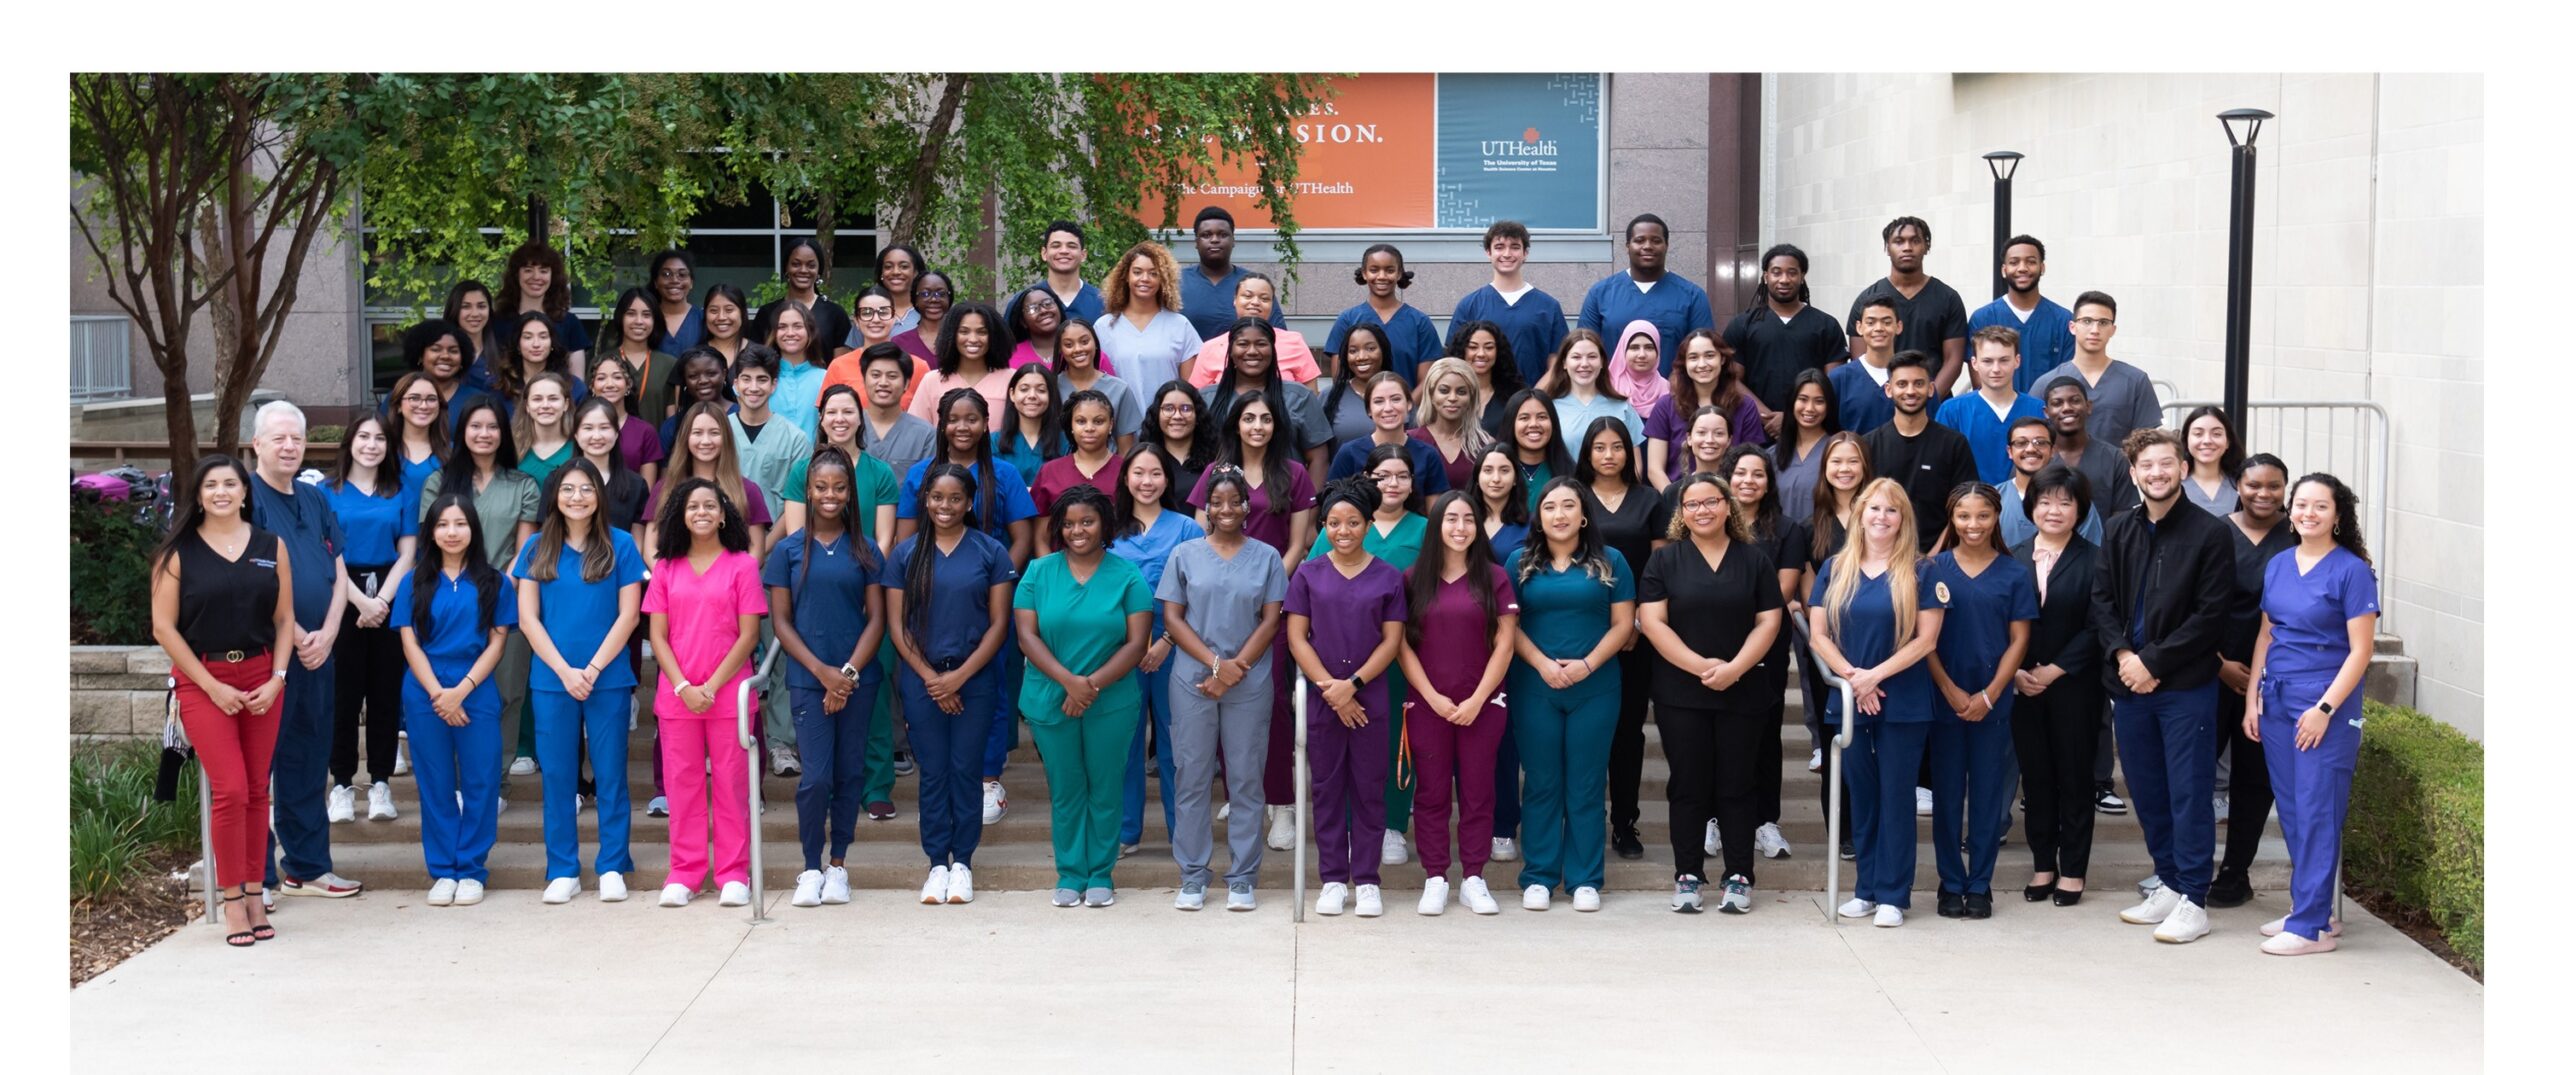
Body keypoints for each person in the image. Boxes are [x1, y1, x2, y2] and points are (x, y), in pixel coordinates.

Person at [2092, 428, 2235, 944]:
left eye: (2166, 464)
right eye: (2147, 466)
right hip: (2129, 686)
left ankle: (2195, 898)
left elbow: (2210, 616)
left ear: (2182, 468)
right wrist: (2125, 657)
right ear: (2133, 474)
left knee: (2188, 793)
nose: (2157, 473)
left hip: (2185, 687)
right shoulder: (2117, 528)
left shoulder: (2211, 533)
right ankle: (2170, 884)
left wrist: (2152, 662)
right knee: (2148, 792)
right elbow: (2102, 601)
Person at [150, 455, 295, 943]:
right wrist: (211, 685)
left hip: (261, 678)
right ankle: (232, 899)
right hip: (203, 679)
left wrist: (277, 678)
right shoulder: (179, 553)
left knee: (258, 790)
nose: (220, 492)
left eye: (230, 483)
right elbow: (163, 628)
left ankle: (256, 893)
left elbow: (284, 621)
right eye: (210, 485)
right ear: (198, 495)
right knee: (230, 789)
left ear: (244, 491)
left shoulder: (270, 546)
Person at [2245, 473, 2380, 956]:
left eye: (2320, 506)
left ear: (2338, 515)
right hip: (2277, 698)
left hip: (2325, 702)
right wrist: (2252, 699)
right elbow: (2267, 635)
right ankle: (2314, 909)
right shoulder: (2280, 564)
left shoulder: (2352, 571)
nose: (2308, 513)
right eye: (2301, 504)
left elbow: (2361, 652)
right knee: (2295, 809)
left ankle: (2308, 929)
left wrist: (2325, 708)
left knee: (2319, 808)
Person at [1639, 472, 1785, 914]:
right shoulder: (1665, 562)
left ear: (1728, 506)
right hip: (1681, 692)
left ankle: (1739, 875)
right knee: (1688, 784)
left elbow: (1769, 621)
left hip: (1744, 690)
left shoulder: (1754, 559)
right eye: (1692, 504)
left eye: (1711, 502)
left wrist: (1735, 668)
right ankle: (1688, 875)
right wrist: (1702, 667)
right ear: (1681, 513)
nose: (1702, 510)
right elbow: (1653, 622)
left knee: (1738, 785)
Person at [1805, 478, 1945, 928]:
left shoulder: (1922, 571)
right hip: (1849, 699)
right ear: (1859, 515)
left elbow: (1926, 641)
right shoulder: (1834, 568)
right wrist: (1852, 678)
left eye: (1891, 511)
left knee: (1896, 797)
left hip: (1901, 700)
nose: (1881, 518)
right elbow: (1818, 635)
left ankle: (1893, 893)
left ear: (1903, 519)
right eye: (1874, 509)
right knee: (1861, 797)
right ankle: (1865, 888)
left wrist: (1874, 677)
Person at [895, 388, 1039, 822]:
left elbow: (1023, 539)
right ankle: (941, 775)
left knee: (992, 687)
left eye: (972, 418)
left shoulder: (1006, 475)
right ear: (941, 422)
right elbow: (905, 540)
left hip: (991, 597)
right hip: (931, 599)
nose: (962, 427)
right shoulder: (921, 475)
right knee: (933, 685)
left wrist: (993, 580)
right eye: (954, 418)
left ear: (986, 424)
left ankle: (988, 779)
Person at [512, 459, 648, 904]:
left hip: (606, 678)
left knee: (610, 774)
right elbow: (528, 619)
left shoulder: (622, 545)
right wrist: (565, 671)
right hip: (552, 680)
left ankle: (612, 864)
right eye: (568, 489)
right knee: (557, 777)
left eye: (586, 489)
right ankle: (563, 868)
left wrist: (590, 670)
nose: (576, 497)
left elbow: (629, 615)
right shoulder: (536, 547)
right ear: (555, 495)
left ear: (599, 495)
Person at [1186, 389, 1317, 850]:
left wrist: (1265, 588)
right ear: (1235, 425)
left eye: (1266, 418)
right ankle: (1245, 794)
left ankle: (1281, 803)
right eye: (1249, 418)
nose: (1258, 426)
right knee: (1220, 688)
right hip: (1218, 606)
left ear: (1277, 425)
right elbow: (1205, 537)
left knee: (1272, 703)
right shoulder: (1214, 475)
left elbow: (1300, 543)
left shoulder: (1295, 474)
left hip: (1272, 606)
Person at [1015, 485, 1155, 908]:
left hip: (1110, 700)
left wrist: (1089, 685)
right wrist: (1068, 681)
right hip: (1050, 697)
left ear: (1104, 525)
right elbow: (1026, 635)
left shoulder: (1127, 575)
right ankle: (1070, 873)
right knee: (1066, 787)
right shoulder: (1038, 572)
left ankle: (1100, 874)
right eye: (1069, 523)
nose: (1078, 530)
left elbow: (1136, 643)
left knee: (1106, 786)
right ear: (1058, 527)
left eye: (1087, 522)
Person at [887, 464, 1020, 905]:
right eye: (937, 498)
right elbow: (896, 624)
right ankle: (936, 864)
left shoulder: (990, 551)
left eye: (956, 498)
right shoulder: (906, 554)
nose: (946, 506)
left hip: (975, 677)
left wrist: (959, 677)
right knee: (933, 773)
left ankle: (962, 862)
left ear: (969, 502)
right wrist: (931, 678)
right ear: (925, 500)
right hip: (921, 678)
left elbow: (1000, 623)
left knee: (966, 771)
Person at [1158, 466, 1288, 910]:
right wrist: (1214, 665)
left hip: (1248, 681)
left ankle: (1242, 878)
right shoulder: (1185, 554)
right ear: (1206, 507)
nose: (1227, 508)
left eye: (1235, 501)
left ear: (1247, 507)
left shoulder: (1267, 556)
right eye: (1218, 502)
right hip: (1193, 680)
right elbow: (1173, 618)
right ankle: (1193, 876)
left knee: (1247, 779)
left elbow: (1271, 619)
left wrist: (1235, 668)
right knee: (1191, 777)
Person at [765, 447, 888, 909]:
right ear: (808, 491)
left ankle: (838, 866)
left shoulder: (866, 549)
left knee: (849, 772)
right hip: (808, 680)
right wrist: (823, 674)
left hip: (858, 680)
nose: (830, 495)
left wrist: (849, 675)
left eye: (839, 487)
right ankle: (810, 866)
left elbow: (877, 619)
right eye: (821, 487)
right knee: (815, 777)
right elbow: (781, 622)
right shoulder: (788, 550)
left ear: (850, 493)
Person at [249, 402, 363, 899]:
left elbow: (337, 568)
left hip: (320, 651)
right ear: (257, 445)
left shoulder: (315, 498)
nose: (290, 447)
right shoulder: (246, 498)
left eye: (297, 438)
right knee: (261, 765)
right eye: (279, 439)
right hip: (268, 654)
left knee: (309, 760)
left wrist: (332, 629)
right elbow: (250, 575)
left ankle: (308, 866)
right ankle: (258, 876)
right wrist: (294, 633)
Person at [1506, 479, 1636, 912]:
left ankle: (1584, 878)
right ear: (1538, 518)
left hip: (1596, 687)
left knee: (1585, 782)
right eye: (1549, 507)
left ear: (1583, 516)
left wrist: (1585, 665)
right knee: (1542, 781)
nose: (1559, 514)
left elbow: (1623, 626)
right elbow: (1507, 627)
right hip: (1534, 686)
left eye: (1568, 506)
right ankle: (1539, 875)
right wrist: (1543, 664)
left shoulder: (1611, 561)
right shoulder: (1518, 562)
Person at [1286, 478, 1410, 918]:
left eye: (1353, 522)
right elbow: (1298, 638)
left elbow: (1391, 641)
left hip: (1370, 698)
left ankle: (1369, 880)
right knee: (1327, 789)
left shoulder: (1388, 577)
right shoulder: (1308, 573)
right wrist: (1332, 691)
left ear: (1369, 523)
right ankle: (1334, 879)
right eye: (1334, 522)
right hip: (1323, 699)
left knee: (1369, 790)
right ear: (1323, 526)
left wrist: (1352, 685)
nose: (1343, 530)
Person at [642, 479, 767, 909]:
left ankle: (734, 873)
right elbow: (657, 635)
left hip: (728, 696)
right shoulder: (665, 568)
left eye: (709, 506)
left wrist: (710, 688)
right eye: (692, 506)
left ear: (723, 514)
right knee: (682, 786)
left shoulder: (742, 566)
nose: (700, 512)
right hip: (677, 696)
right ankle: (685, 872)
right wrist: (682, 686)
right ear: (679, 514)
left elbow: (749, 634)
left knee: (732, 785)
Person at [1397, 489, 1518, 916]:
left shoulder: (1494, 576)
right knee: (1430, 792)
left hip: (1483, 704)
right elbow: (1402, 646)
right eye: (1451, 519)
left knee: (1478, 792)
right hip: (1428, 703)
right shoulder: (1414, 579)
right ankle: (1434, 876)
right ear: (1437, 526)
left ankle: (1473, 877)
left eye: (1468, 519)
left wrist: (1477, 699)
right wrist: (1431, 696)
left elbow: (1505, 644)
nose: (1460, 527)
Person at [1922, 482, 2038, 919]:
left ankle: (1980, 885)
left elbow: (2019, 639)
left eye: (1983, 516)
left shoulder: (2012, 573)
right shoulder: (1933, 569)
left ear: (1996, 518)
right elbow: (1925, 641)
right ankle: (1950, 882)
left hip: (1994, 703)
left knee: (1989, 797)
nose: (1974, 525)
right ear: (1952, 519)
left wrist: (1990, 695)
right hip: (1944, 700)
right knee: (1948, 794)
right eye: (1964, 516)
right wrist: (1951, 691)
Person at [396, 493, 517, 907]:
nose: (452, 532)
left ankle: (471, 868)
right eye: (443, 524)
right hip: (425, 692)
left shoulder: (495, 581)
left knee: (481, 780)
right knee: (435, 784)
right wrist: (437, 694)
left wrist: (461, 691)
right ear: (431, 531)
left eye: (460, 524)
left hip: (476, 689)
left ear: (473, 529)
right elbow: (409, 642)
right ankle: (443, 869)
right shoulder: (414, 580)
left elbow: (497, 643)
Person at [418, 398, 542, 795]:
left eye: (492, 427)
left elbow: (523, 553)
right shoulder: (439, 482)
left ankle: (495, 781)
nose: (484, 434)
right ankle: (454, 781)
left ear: (503, 433)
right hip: (448, 603)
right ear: (462, 432)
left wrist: (494, 593)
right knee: (452, 687)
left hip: (504, 600)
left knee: (506, 692)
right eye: (475, 426)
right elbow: (430, 546)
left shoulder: (522, 484)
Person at [2010, 462, 2106, 907]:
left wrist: (2055, 669)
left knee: (2074, 777)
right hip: (2021, 685)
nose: (2054, 510)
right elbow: (1998, 622)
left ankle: (2073, 870)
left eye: (2065, 502)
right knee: (2037, 779)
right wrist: (2015, 671)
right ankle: (2043, 864)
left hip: (2075, 687)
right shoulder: (2010, 557)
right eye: (2045, 501)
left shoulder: (2096, 560)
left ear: (2080, 510)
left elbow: (2099, 625)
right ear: (2031, 505)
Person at [2207, 453, 2298, 907]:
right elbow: (2191, 603)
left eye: (2274, 486)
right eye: (2254, 485)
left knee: (2254, 779)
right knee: (2194, 773)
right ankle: (2185, 866)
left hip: (2276, 679)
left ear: (2286, 488)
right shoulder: (2213, 532)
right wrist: (2219, 662)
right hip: (2211, 669)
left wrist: (2261, 674)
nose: (2264, 494)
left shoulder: (2299, 537)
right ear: (2236, 486)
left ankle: (2235, 871)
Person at [1110, 446, 1209, 858]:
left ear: (1167, 480)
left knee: (1177, 743)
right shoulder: (1111, 529)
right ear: (1125, 478)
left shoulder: (1187, 529)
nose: (1147, 482)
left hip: (1177, 646)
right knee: (1124, 741)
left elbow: (1200, 592)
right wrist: (1133, 644)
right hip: (1120, 646)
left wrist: (1168, 640)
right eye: (1138, 473)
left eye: (1155, 473)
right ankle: (1126, 830)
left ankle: (1180, 832)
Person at [1575, 417, 1665, 861]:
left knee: (1627, 731)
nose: (1608, 455)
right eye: (1599, 447)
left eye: (1617, 447)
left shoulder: (1651, 500)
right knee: (1580, 733)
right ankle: (1577, 818)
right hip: (1577, 632)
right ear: (1587, 453)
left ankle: (1625, 823)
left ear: (1631, 453)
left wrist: (1637, 625)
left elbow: (1658, 569)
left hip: (1634, 637)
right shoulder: (1573, 498)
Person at [323, 416, 412, 825]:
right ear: (349, 441)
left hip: (390, 593)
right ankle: (340, 784)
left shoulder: (401, 492)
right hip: (342, 595)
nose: (371, 445)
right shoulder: (326, 493)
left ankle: (380, 784)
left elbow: (408, 553)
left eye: (380, 438)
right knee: (343, 696)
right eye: (363, 436)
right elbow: (327, 554)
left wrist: (381, 602)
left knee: (384, 695)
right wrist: (359, 602)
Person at [1726, 445, 1807, 859]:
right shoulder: (1709, 522)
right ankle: (1714, 818)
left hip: (1767, 646)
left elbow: (1783, 592)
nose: (1748, 481)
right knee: (1713, 736)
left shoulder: (1788, 530)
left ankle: (1765, 820)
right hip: (1711, 645)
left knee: (1764, 735)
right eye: (1740, 473)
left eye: (1758, 474)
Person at [1358, 446, 1429, 866]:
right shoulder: (1349, 524)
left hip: (1408, 652)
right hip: (1350, 654)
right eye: (1383, 475)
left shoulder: (1425, 529)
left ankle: (1393, 827)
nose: (1392, 484)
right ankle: (1357, 825)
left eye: (1402, 476)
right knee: (1356, 743)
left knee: (1399, 741)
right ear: (1367, 478)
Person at [1801, 430, 1872, 778]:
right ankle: (1840, 832)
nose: (1845, 469)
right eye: (1836, 461)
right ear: (1824, 467)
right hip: (1827, 644)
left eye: (1853, 460)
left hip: (1878, 639)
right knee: (1836, 746)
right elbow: (1809, 592)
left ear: (1866, 466)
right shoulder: (1809, 526)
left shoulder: (1882, 517)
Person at [1864, 351, 1981, 551]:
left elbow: (1964, 507)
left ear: (1930, 389)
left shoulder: (1954, 444)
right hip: (1881, 557)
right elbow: (1861, 508)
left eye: (1919, 383)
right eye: (1902, 384)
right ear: (1888, 390)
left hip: (1939, 558)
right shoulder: (1869, 444)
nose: (1910, 391)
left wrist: (1934, 556)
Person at [1723, 244, 1848, 428]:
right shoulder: (1742, 324)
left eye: (1792, 272)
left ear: (1802, 276)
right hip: (1758, 429)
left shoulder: (1826, 325)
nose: (1784, 279)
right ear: (1766, 276)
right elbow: (1731, 380)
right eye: (1776, 272)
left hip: (1811, 428)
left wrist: (1792, 419)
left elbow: (1832, 383)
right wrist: (1767, 416)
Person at [1847, 217, 1967, 396]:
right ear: (1887, 248)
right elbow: (1861, 362)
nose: (1907, 247)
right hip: (1880, 401)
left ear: (1926, 247)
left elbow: (1954, 361)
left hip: (1932, 402)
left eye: (1915, 241)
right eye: (1899, 241)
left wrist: (1929, 401)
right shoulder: (1867, 300)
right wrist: (1884, 400)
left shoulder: (1948, 298)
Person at [2029, 291, 2162, 448]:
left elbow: (2146, 443)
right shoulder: (2047, 383)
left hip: (2119, 471)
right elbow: (2032, 437)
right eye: (2087, 321)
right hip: (2063, 472)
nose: (2095, 330)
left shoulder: (2135, 381)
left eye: (2103, 322)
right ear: (2072, 327)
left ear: (2113, 330)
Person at [1207, 317, 1334, 479]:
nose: (1252, 351)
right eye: (1243, 344)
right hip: (1223, 501)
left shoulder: (1300, 397)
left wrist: (1311, 503)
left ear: (1273, 350)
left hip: (1289, 499)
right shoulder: (1207, 399)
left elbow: (1319, 458)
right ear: (1230, 351)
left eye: (1261, 344)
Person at [648, 402, 773, 560]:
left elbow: (756, 552)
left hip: (731, 583)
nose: (706, 441)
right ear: (686, 436)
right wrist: (669, 580)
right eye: (697, 433)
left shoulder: (747, 490)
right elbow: (650, 547)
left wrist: (733, 582)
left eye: (714, 433)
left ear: (726, 437)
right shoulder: (664, 488)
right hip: (675, 583)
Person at [1449, 220, 1566, 388]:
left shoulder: (1548, 306)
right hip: (1482, 405)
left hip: (1533, 404)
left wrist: (1533, 398)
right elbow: (1455, 361)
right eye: (1499, 247)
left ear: (1525, 253)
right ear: (1488, 252)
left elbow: (1557, 364)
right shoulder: (1470, 305)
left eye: (1515, 247)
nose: (1507, 253)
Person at [1647, 328, 1769, 485]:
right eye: (1693, 357)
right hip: (1678, 501)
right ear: (1684, 363)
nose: (1702, 364)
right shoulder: (1665, 406)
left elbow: (1752, 464)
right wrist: (1679, 503)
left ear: (1722, 359)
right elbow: (1655, 469)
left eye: (1709, 356)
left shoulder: (1745, 406)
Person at [1577, 213, 1717, 347]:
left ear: (1666, 246)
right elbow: (1584, 352)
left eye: (1656, 241)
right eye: (1639, 240)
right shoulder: (1600, 294)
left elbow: (1703, 354)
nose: (1648, 246)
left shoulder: (1692, 296)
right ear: (1627, 246)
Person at [1092, 240, 1202, 403]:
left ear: (1163, 279)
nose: (1145, 278)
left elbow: (1191, 389)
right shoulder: (1104, 327)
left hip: (1167, 423)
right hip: (1119, 424)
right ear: (1126, 277)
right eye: (1137, 272)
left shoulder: (1180, 325)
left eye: (1153, 273)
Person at [1935, 326, 2045, 483]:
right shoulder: (1952, 411)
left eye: (2004, 360)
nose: (1996, 369)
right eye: (1987, 361)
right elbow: (1941, 467)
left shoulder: (2038, 410)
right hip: (1970, 502)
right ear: (1974, 363)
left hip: (2026, 503)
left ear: (2017, 361)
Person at [1966, 235, 2074, 388]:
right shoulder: (1983, 318)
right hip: (1997, 410)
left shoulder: (2063, 320)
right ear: (2004, 270)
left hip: (2046, 411)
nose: (2022, 268)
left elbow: (2067, 377)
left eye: (2031, 261)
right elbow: (1979, 381)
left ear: (2042, 268)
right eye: (2014, 262)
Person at [1183, 271, 1320, 388]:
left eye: (1264, 298)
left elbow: (1310, 399)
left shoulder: (1294, 342)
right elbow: (1198, 399)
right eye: (1247, 296)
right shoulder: (1210, 347)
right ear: (1235, 300)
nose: (1255, 302)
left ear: (1272, 305)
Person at [1325, 243, 1441, 382]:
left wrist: (1402, 403)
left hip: (1407, 403)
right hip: (1356, 404)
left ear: (1399, 273)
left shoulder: (1420, 322)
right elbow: (1340, 379)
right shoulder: (1347, 320)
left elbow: (1426, 382)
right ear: (1364, 273)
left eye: (1389, 270)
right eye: (1374, 270)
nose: (1382, 276)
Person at [1325, 372, 1451, 496]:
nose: (1388, 408)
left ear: (1409, 404)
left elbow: (1435, 513)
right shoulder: (1349, 453)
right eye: (1379, 401)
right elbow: (1332, 503)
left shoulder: (1428, 454)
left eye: (1396, 399)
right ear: (1369, 409)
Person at [2041, 378, 2140, 531]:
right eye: (2057, 403)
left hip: (2101, 551)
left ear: (2088, 407)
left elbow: (2124, 518)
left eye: (2075, 401)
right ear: (2046, 412)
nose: (2067, 408)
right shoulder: (2036, 459)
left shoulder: (2115, 459)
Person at [1539, 330, 1645, 472]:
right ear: (1564, 363)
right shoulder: (1548, 408)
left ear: (1602, 362)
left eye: (1592, 357)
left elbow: (1635, 467)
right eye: (1576, 357)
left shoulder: (1623, 408)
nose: (1584, 364)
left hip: (1611, 492)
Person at [1179, 206, 1288, 342]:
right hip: (1192, 363)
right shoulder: (1177, 282)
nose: (1214, 240)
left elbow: (1279, 336)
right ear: (1196, 242)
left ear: (1233, 241)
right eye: (1206, 235)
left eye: (1223, 235)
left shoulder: (1253, 284)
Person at [908, 302, 1019, 427]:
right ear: (951, 335)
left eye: (982, 332)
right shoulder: (932, 381)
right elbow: (916, 434)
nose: (973, 339)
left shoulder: (1012, 380)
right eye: (964, 332)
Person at [1997, 416, 2100, 547]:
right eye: (2021, 443)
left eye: (2040, 443)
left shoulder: (2075, 497)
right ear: (2010, 451)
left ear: (2052, 451)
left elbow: (2091, 554)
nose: (2030, 449)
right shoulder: (1993, 498)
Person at [493, 241, 591, 377]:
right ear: (516, 275)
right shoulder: (498, 322)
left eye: (543, 271)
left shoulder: (570, 323)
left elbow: (577, 382)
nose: (536, 277)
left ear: (553, 276)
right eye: (528, 270)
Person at [1050, 317, 1144, 454]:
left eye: (1084, 342)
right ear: (1060, 350)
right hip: (1061, 471)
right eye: (1069, 345)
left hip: (1108, 471)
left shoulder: (1119, 389)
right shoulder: (1051, 388)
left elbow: (1126, 449)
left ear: (1096, 343)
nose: (1078, 349)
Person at [747, 238, 854, 359]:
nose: (803, 270)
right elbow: (755, 362)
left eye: (811, 265)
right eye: (796, 264)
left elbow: (841, 367)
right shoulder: (767, 313)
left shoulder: (835, 314)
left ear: (819, 270)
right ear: (786, 268)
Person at [1032, 389, 1124, 527]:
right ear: (1071, 425)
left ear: (1110, 424)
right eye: (1081, 421)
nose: (1089, 428)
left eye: (1098, 421)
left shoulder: (1127, 470)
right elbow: (1040, 535)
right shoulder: (1050, 471)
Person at [849, 343, 939, 480]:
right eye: (875, 375)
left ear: (907, 383)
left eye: (892, 376)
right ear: (864, 379)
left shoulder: (926, 435)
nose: (883, 382)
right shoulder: (847, 426)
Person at [1772, 369, 1841, 523]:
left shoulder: (1838, 451)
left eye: (1819, 401)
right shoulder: (1772, 455)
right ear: (1792, 402)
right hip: (1781, 543)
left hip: (1824, 542)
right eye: (1803, 399)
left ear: (1829, 405)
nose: (1810, 408)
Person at [601, 288, 676, 429]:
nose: (639, 321)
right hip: (608, 446)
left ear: (655, 320)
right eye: (631, 314)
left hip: (656, 448)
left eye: (647, 315)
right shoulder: (603, 362)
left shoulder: (669, 364)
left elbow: (672, 421)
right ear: (620, 317)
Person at [584, 355, 663, 490]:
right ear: (592, 386)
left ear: (628, 385)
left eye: (617, 377)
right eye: (601, 378)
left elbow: (646, 492)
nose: (609, 384)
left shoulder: (645, 432)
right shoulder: (581, 427)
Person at [489, 312, 589, 417]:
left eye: (543, 337)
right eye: (528, 337)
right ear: (518, 345)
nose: (536, 344)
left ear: (552, 343)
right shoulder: (499, 385)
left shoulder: (574, 387)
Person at [1416, 356, 1493, 490]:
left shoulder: (1486, 444)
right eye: (1444, 391)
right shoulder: (1410, 441)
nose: (1452, 398)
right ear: (1431, 394)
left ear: (1471, 397)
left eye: (1461, 392)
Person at [1830, 297, 1902, 435]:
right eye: (1871, 322)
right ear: (1859, 327)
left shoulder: (1914, 377)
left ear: (1898, 326)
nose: (1879, 328)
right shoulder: (1839, 378)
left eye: (1886, 322)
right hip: (1855, 456)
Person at [993, 362, 1068, 494]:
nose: (1032, 395)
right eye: (1024, 389)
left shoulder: (1066, 442)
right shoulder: (993, 442)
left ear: (1051, 395)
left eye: (1041, 390)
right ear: (1012, 394)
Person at [1315, 322, 1390, 452]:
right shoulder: (1329, 396)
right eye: (1353, 351)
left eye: (1371, 348)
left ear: (1383, 351)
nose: (1361, 357)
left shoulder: (1399, 395)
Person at [1142, 380, 1217, 506]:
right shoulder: (1145, 458)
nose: (1177, 416)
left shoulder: (1216, 459)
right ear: (1157, 415)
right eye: (1169, 408)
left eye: (1186, 408)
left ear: (1197, 415)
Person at [825, 286, 905, 404]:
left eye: (883, 312)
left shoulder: (916, 366)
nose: (876, 319)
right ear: (856, 320)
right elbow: (827, 414)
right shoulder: (839, 366)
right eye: (867, 313)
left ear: (894, 318)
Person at [764, 302, 832, 440]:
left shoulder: (826, 378)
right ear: (774, 334)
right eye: (782, 327)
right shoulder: (762, 379)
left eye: (798, 326)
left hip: (814, 460)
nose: (790, 333)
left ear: (810, 331)